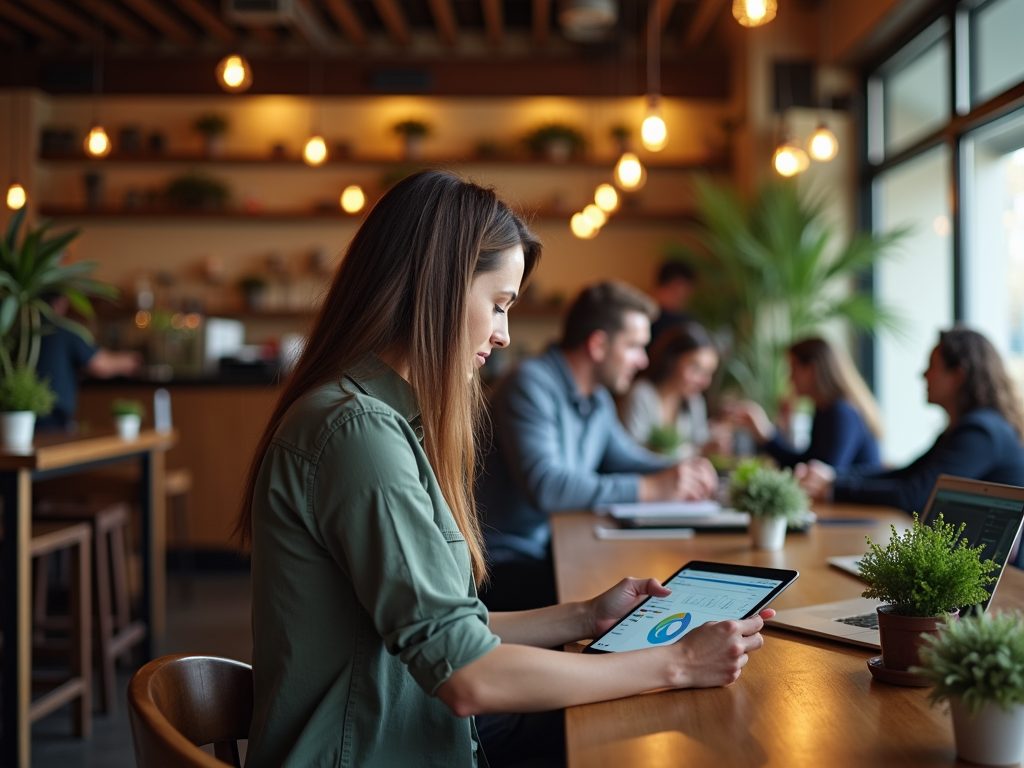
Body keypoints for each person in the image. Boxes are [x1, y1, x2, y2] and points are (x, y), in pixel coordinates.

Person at [236, 171, 771, 768]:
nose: (505, 333)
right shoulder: (357, 432)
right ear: (435, 286)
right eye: (498, 304)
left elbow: (447, 629)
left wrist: (586, 615)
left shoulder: (376, 420)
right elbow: (468, 675)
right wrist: (678, 663)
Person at [477, 281, 718, 613]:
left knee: (643, 585)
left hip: (552, 548)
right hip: (499, 565)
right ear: (598, 344)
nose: (644, 361)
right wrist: (650, 488)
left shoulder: (597, 398)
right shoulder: (529, 384)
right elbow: (547, 486)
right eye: (635, 346)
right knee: (637, 602)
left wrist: (679, 470)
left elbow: (624, 458)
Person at [798, 328, 1024, 513]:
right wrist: (835, 477)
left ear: (958, 376)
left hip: (1005, 568)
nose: (923, 375)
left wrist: (834, 488)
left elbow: (915, 496)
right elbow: (906, 473)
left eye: (932, 366)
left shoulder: (980, 433)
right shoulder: (967, 428)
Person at [727, 337, 881, 469]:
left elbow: (823, 476)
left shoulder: (841, 412)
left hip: (859, 505)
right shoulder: (823, 410)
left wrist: (767, 435)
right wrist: (765, 434)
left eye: (792, 369)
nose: (789, 378)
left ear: (811, 369)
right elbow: (804, 463)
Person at [36, 295, 142, 432]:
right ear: (61, 303)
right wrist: (128, 361)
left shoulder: (21, 330)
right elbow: (100, 365)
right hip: (53, 416)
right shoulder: (64, 330)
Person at [620, 322, 725, 458]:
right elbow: (634, 454)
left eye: (709, 373)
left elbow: (701, 444)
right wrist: (696, 451)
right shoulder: (641, 394)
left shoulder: (694, 402)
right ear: (671, 360)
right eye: (696, 368)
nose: (704, 382)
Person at [648, 259, 697, 349]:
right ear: (678, 284)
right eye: (688, 289)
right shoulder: (680, 322)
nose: (690, 295)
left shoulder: (641, 315)